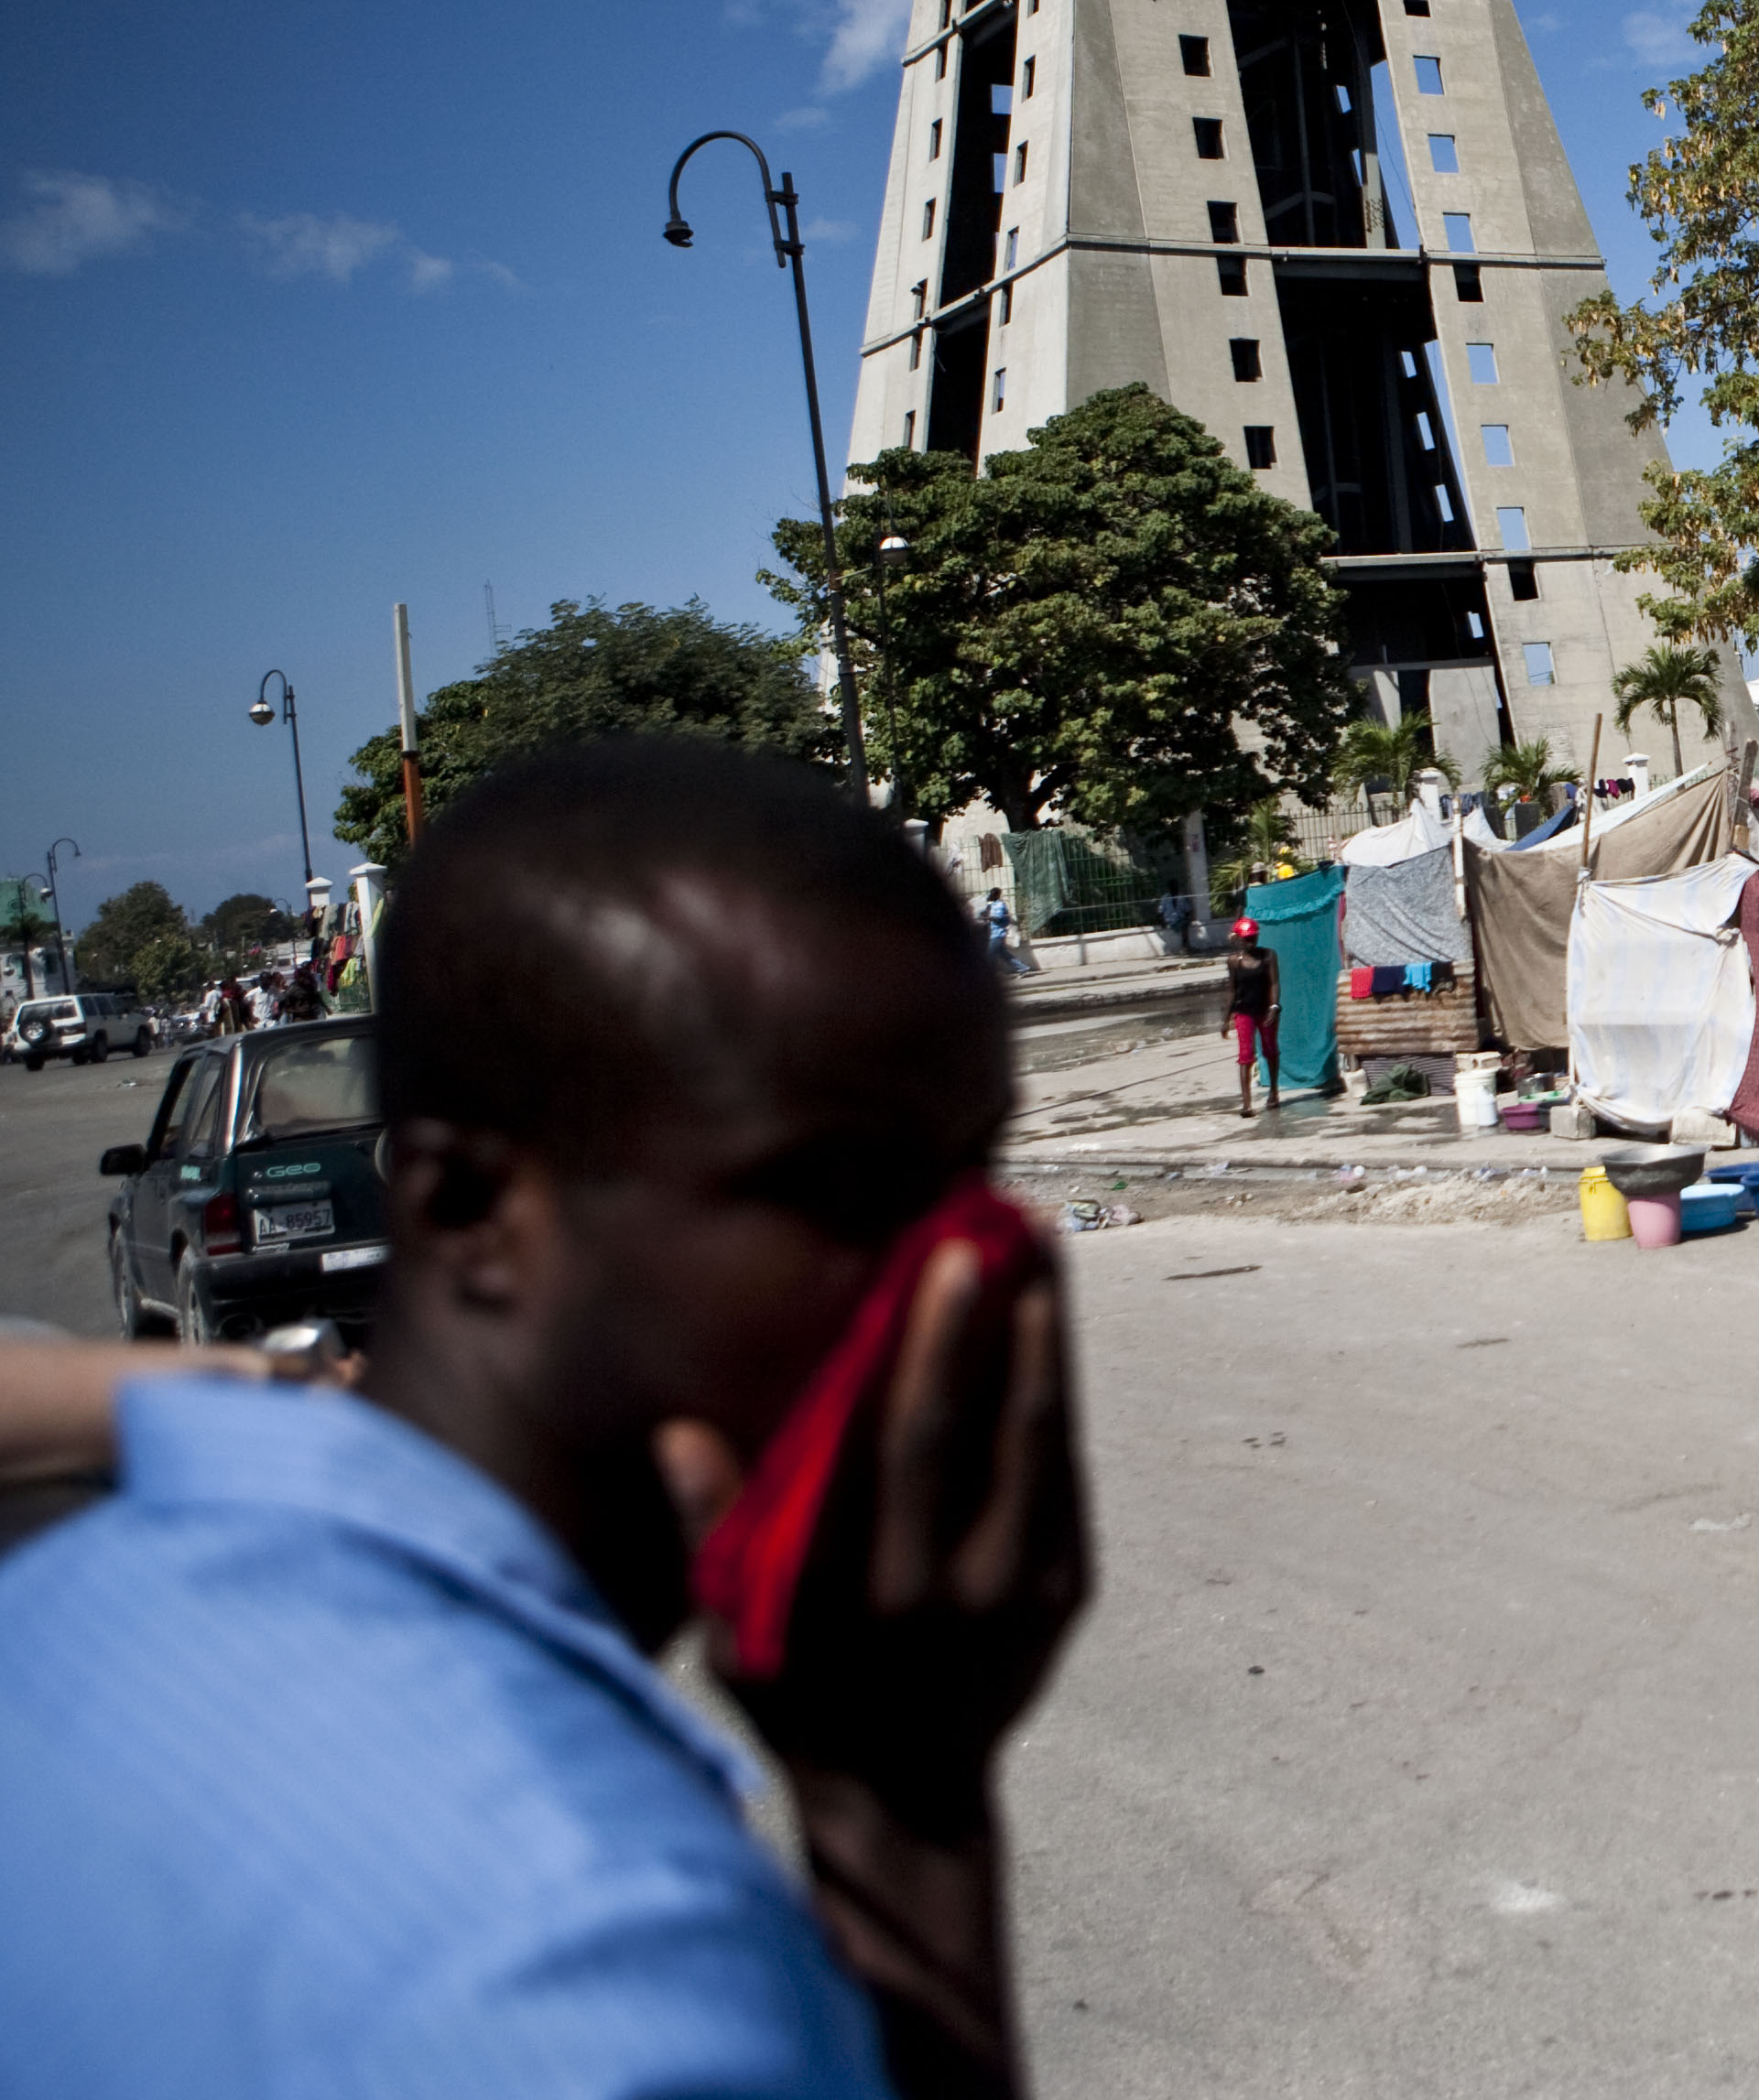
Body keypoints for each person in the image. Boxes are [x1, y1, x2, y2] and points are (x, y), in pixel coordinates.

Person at [0, 738, 1085, 2098]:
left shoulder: (88, 1597)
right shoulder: (593, 1967)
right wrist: (908, 1817)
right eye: (840, 1187)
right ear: (465, 1207)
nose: (972, 1268)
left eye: (976, 1168)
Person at [1222, 915, 1278, 1118]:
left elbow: (1274, 983)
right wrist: (1225, 1019)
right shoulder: (1234, 962)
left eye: (1253, 938)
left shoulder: (1268, 956)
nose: (1250, 942)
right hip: (1244, 1011)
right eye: (1246, 939)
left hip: (1265, 1010)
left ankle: (1274, 1092)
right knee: (1245, 1056)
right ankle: (1246, 1104)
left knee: (1270, 1050)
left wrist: (1274, 1006)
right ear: (1238, 939)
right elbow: (1232, 990)